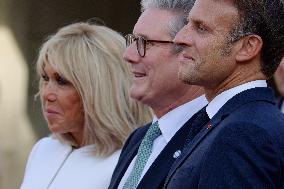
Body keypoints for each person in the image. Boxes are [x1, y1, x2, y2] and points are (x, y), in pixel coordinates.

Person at [164, 0, 284, 188]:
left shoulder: (243, 133)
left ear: (248, 47)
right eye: (187, 23)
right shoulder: (243, 122)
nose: (180, 38)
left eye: (201, 28)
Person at [20, 22, 152, 189]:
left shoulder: (130, 164)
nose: (46, 94)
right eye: (45, 78)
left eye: (62, 81)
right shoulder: (43, 150)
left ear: (101, 90)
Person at [108, 0, 207, 189]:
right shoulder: (139, 139)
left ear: (187, 51)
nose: (128, 54)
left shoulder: (214, 138)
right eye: (133, 40)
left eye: (145, 43)